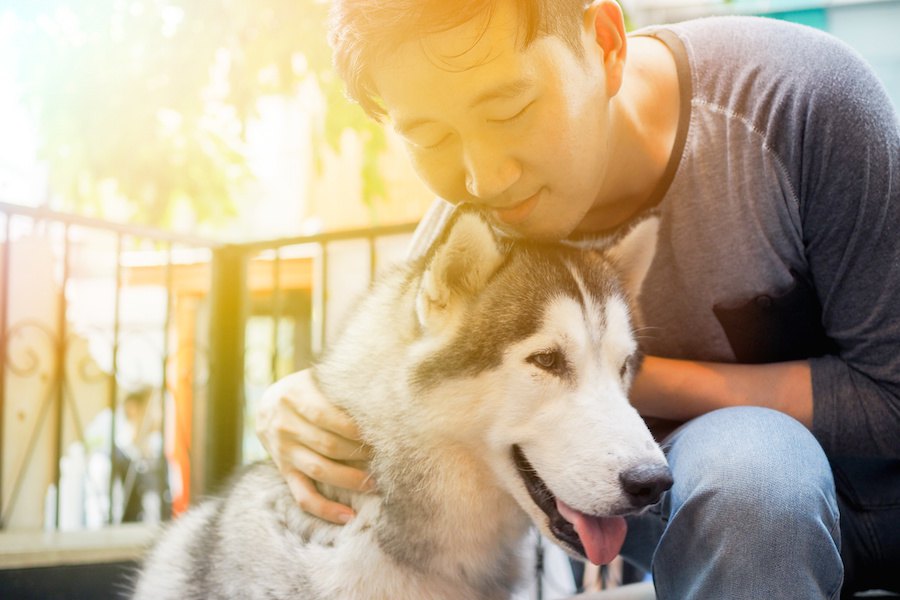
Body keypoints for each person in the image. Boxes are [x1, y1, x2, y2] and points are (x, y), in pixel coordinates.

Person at [256, 0, 900, 597]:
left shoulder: (796, 101)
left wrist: (601, 376)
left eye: (508, 110)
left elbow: (892, 398)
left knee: (755, 461)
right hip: (708, 515)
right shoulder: (471, 234)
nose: (485, 176)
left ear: (605, 44)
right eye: (430, 135)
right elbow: (400, 391)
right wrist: (289, 405)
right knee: (753, 476)